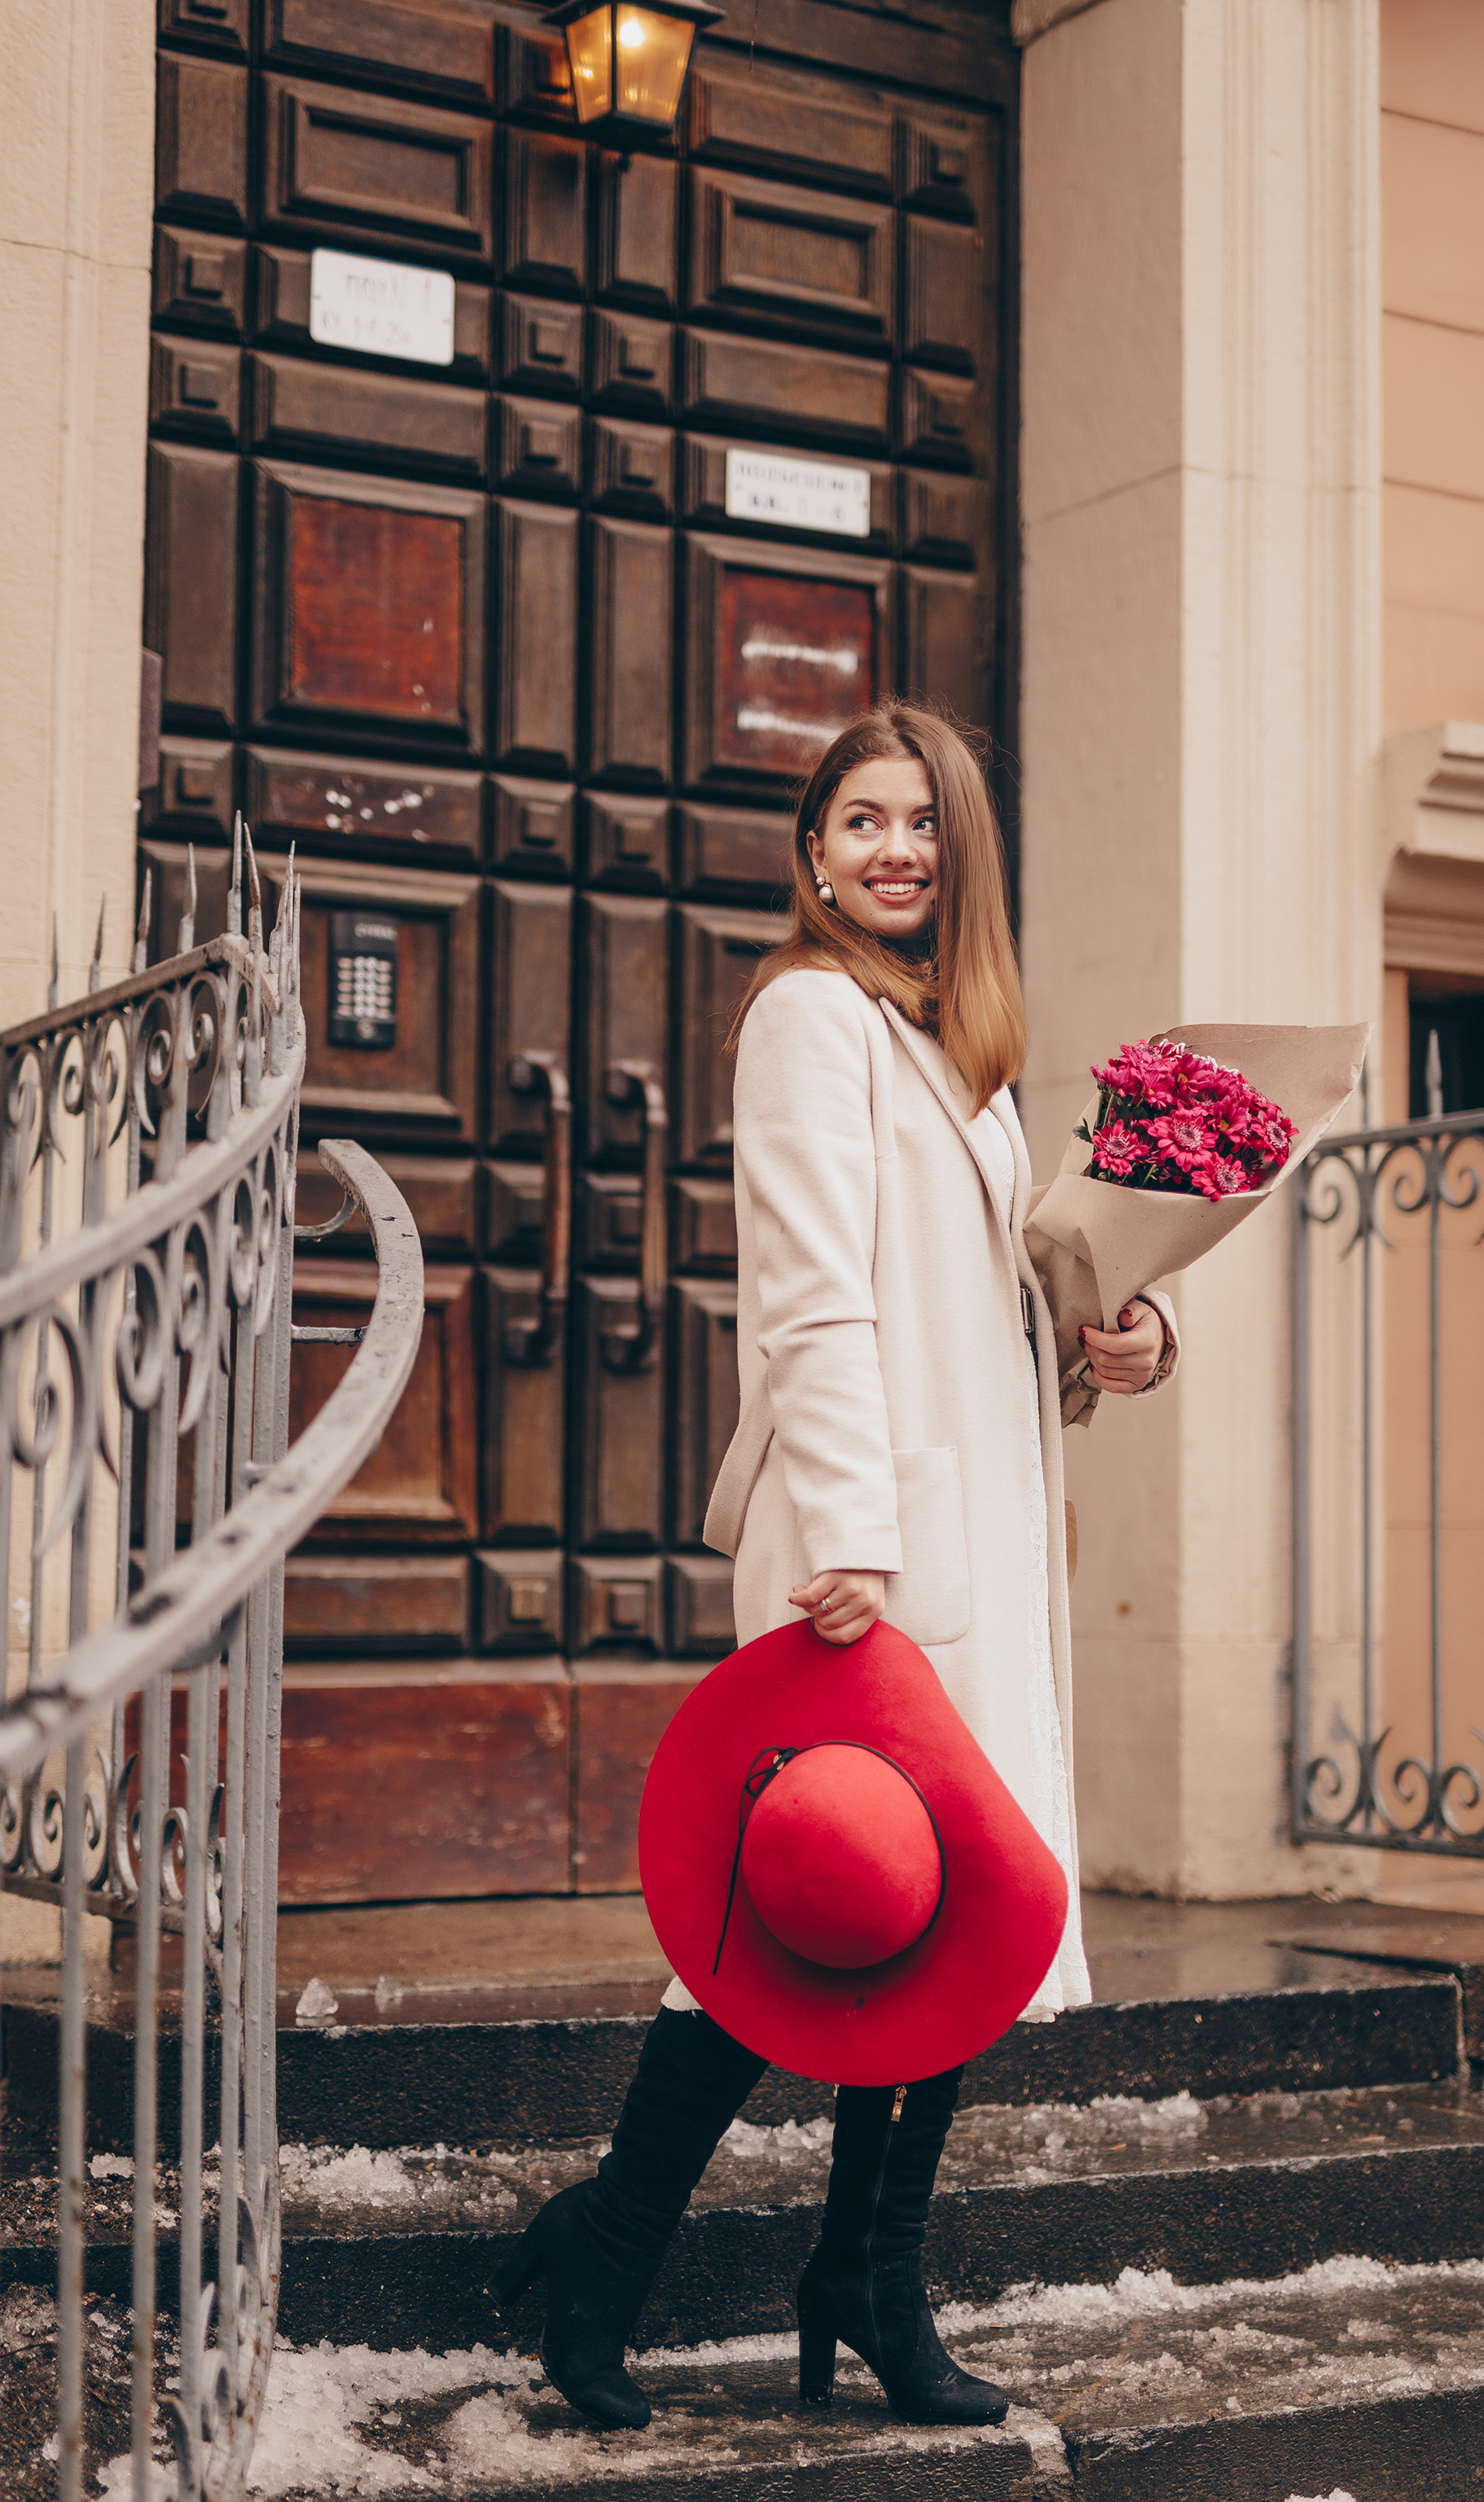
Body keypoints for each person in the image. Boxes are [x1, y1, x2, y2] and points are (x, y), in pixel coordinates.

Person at [490, 698, 1175, 2432]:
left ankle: (867, 2275)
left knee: (951, 1929)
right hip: (863, 1549)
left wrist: (1124, 1334)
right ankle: (608, 2249)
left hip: (974, 1536)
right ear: (813, 855)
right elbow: (809, 1291)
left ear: (959, 854)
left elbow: (991, 1303)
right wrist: (855, 1539)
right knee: (781, 1926)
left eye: (921, 823)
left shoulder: (964, 1048)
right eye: (860, 822)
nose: (893, 849)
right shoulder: (808, 1016)